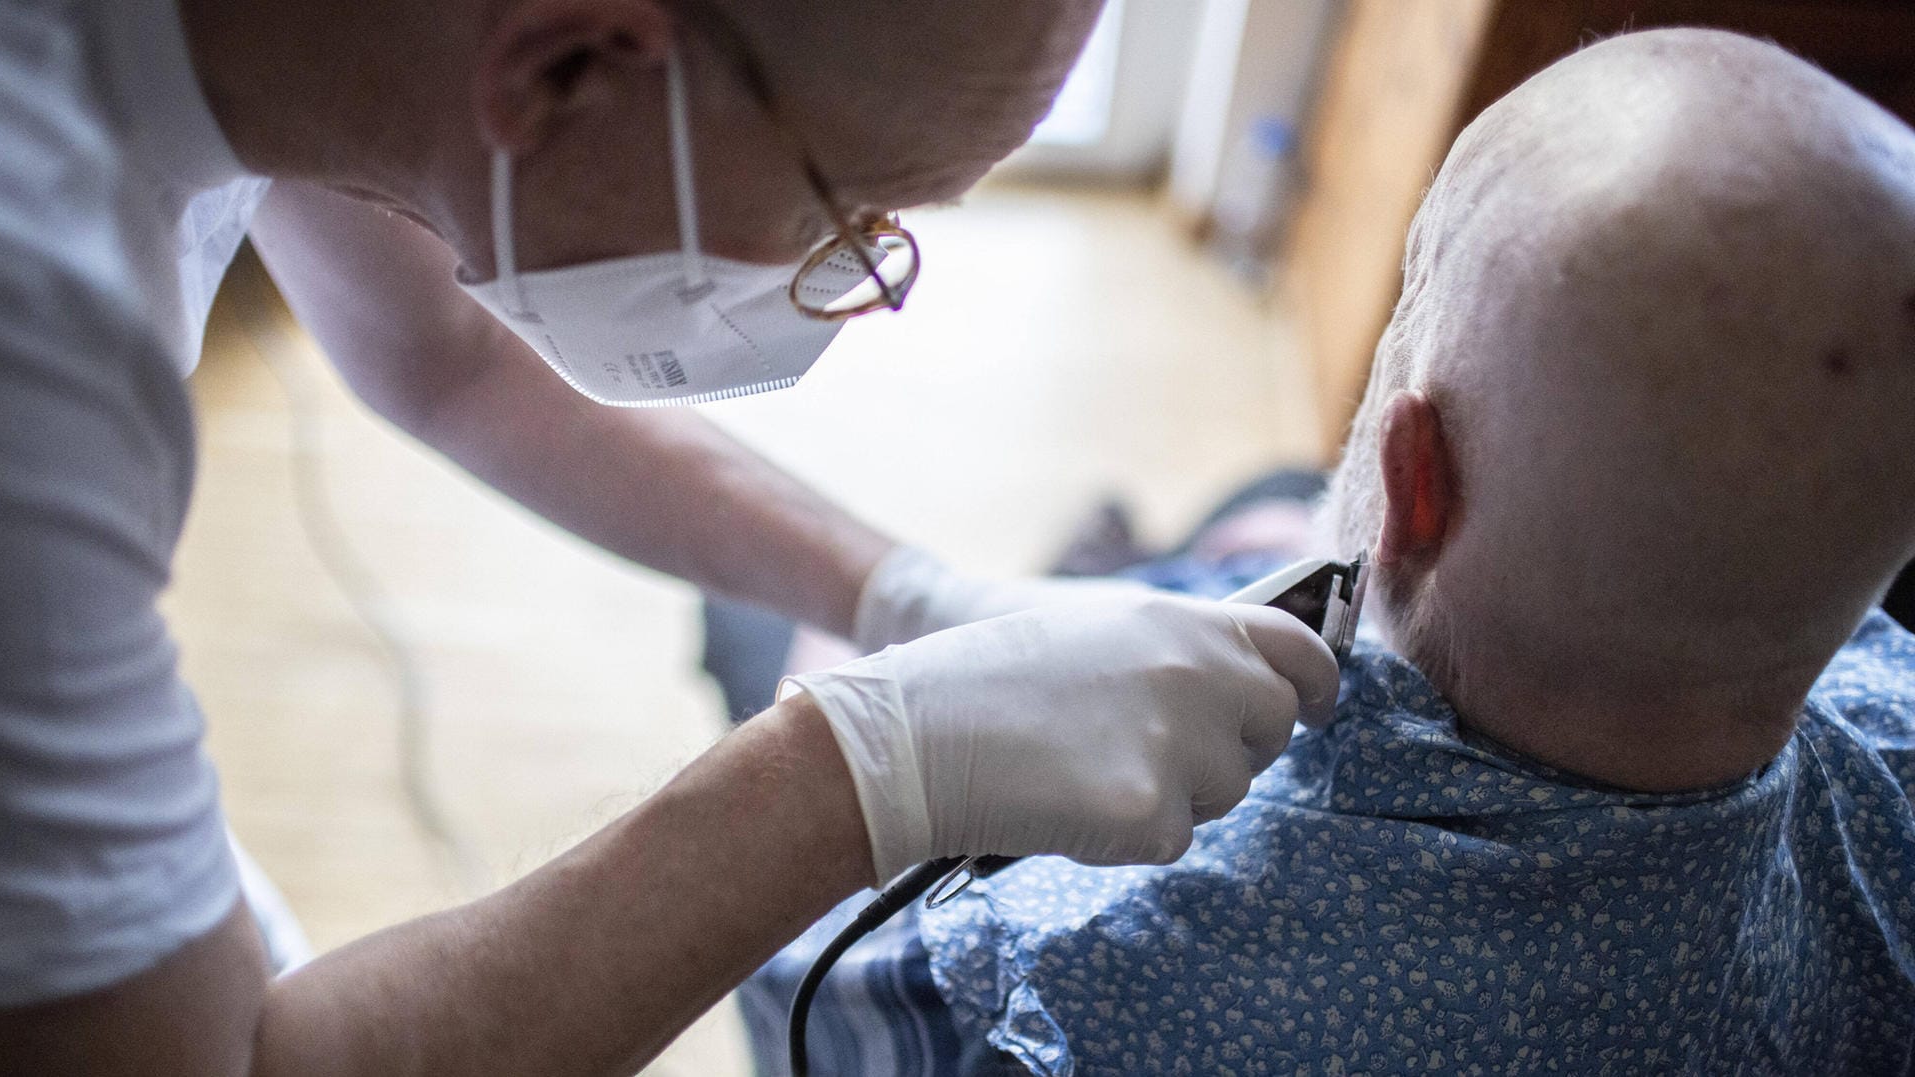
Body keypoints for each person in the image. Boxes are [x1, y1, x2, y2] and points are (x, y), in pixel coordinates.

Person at [0, 0, 1348, 1071]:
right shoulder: (29, 365)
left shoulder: (330, 44)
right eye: (842, 215)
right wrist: (866, 768)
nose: (847, 273)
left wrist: (903, 594)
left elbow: (445, 354)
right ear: (575, 63)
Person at [740, 28, 1915, 1075]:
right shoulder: (1891, 753)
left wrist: (862, 663)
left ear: (1415, 482)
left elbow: (804, 985)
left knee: (750, 628)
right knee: (1272, 504)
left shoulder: (1071, 969)